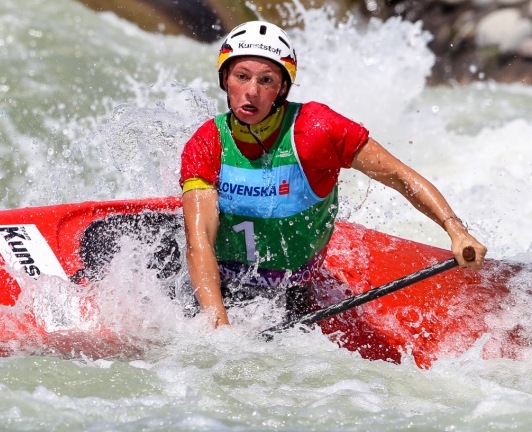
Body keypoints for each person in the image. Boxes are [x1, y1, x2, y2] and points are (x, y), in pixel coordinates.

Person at [180, 21, 487, 328]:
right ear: (225, 79)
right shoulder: (207, 143)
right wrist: (220, 327)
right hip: (215, 289)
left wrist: (455, 230)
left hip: (294, 295)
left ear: (283, 88)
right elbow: (199, 241)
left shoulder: (316, 129)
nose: (252, 91)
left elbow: (399, 176)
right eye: (241, 77)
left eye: (267, 80)